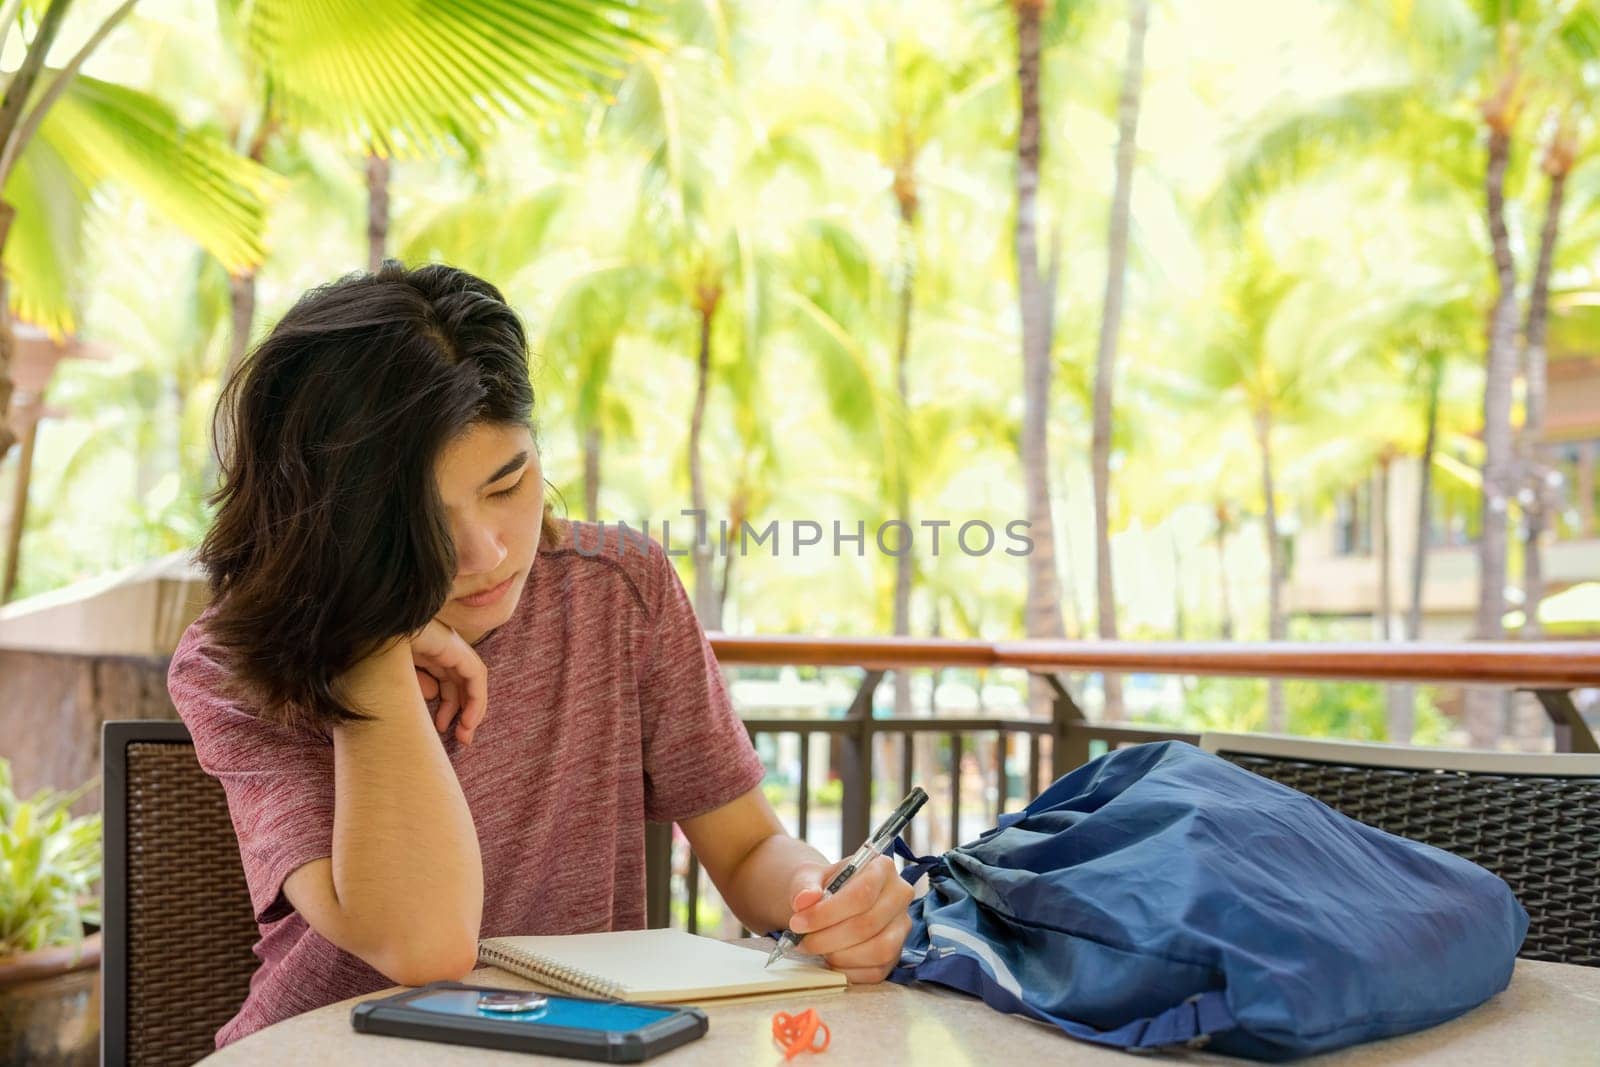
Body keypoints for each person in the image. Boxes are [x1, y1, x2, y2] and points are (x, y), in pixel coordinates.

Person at [168, 262, 914, 1048]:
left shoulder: (618, 590)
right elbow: (426, 947)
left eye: (507, 484)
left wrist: (820, 893)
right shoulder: (235, 660)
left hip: (582, 1047)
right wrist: (370, 646)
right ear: (327, 517)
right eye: (417, 520)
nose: (483, 552)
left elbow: (750, 846)